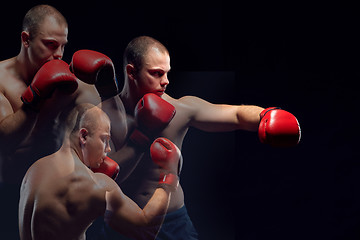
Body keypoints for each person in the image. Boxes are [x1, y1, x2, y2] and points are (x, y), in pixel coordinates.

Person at [84, 36, 301, 239]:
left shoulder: (179, 108)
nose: (166, 81)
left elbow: (235, 114)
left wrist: (266, 115)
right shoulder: (102, 116)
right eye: (157, 73)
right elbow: (100, 180)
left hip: (173, 222)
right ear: (131, 72)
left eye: (167, 73)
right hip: (124, 224)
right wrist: (142, 138)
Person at [0, 5, 122, 239]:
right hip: (8, 193)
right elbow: (4, 143)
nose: (58, 54)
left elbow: (113, 132)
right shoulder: (1, 80)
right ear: (26, 39)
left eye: (63, 45)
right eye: (50, 45)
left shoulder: (72, 84)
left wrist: (108, 91)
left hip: (60, 195)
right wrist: (34, 98)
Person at [19, 103, 182, 240]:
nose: (109, 149)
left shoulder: (34, 169)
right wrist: (169, 176)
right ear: (83, 136)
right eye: (105, 139)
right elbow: (146, 229)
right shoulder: (96, 184)